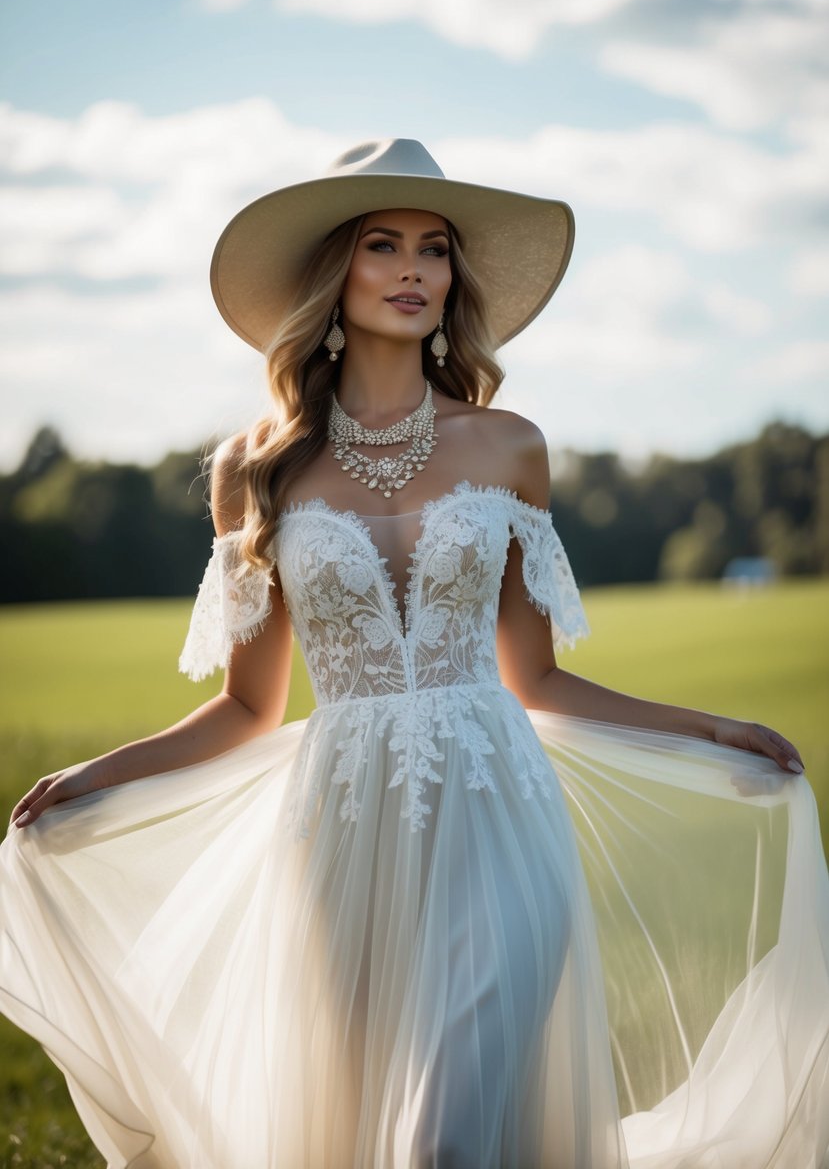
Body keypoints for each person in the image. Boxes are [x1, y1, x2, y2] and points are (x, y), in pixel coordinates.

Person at [2, 138, 828, 1169]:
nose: (412, 270)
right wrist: (96, 774)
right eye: (381, 246)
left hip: (497, 819)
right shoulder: (254, 470)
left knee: (442, 1142)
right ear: (331, 276)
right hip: (339, 842)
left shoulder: (510, 446)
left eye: (433, 250)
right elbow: (249, 708)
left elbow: (537, 677)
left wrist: (705, 727)